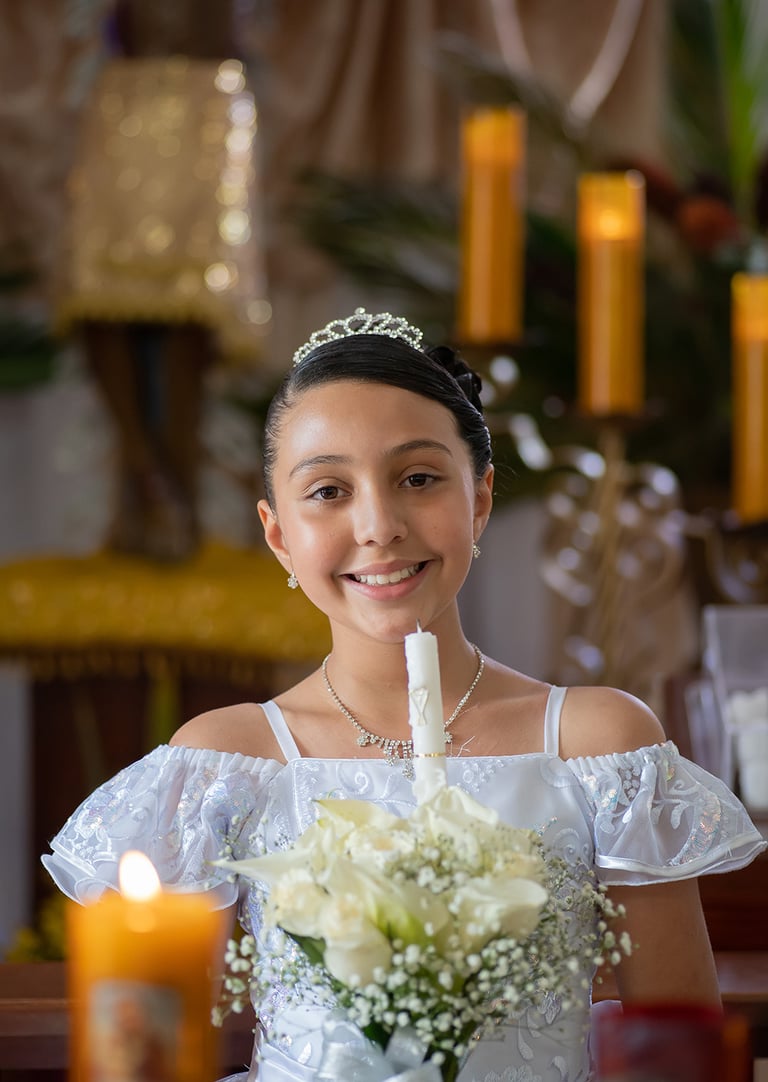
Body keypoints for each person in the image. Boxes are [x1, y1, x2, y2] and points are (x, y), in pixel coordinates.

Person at [43, 308, 766, 1082]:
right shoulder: (223, 763)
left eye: (418, 479)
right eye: (327, 490)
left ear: (479, 499)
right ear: (279, 534)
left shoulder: (597, 745)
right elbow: (152, 1049)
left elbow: (680, 1059)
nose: (379, 525)